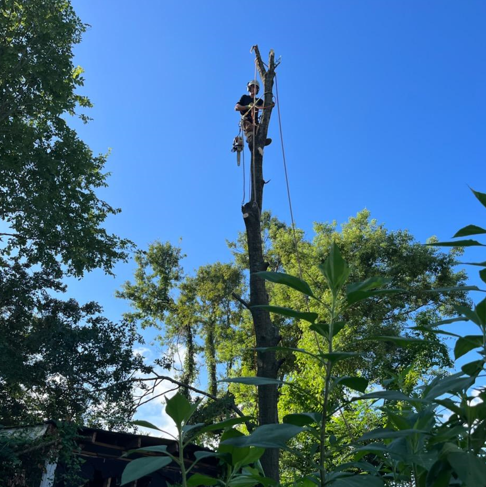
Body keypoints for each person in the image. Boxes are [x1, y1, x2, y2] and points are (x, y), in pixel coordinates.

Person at [235, 80, 272, 147]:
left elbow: (264, 106)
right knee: (250, 129)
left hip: (255, 122)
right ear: (249, 88)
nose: (253, 89)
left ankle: (262, 140)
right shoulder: (244, 97)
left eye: (255, 88)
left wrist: (270, 104)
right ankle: (250, 138)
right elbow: (237, 107)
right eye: (252, 87)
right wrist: (247, 106)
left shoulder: (259, 100)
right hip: (246, 120)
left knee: (259, 130)